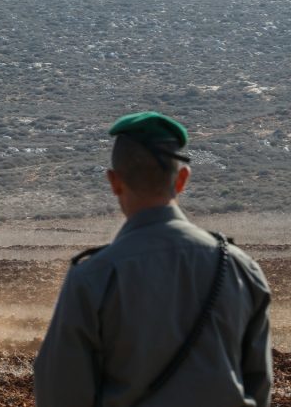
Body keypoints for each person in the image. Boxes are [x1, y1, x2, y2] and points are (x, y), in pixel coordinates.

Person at [34, 111, 272, 407]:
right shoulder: (240, 269)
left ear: (114, 181)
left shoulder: (94, 277)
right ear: (182, 179)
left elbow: (61, 395)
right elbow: (259, 387)